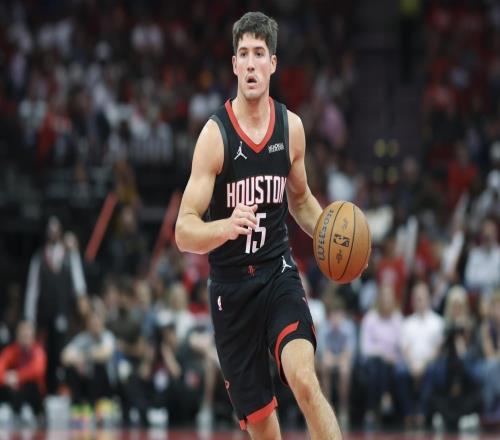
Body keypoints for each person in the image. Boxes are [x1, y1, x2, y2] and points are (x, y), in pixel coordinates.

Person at [175, 11, 343, 439]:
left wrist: (333, 235)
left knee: (304, 380)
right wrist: (225, 226)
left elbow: (301, 200)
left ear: (273, 63)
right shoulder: (215, 136)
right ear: (234, 65)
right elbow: (183, 230)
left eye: (259, 54)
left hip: (276, 274)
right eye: (244, 54)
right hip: (231, 290)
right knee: (264, 426)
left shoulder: (292, 127)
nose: (251, 64)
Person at [0, 321, 46, 426]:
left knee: (32, 385)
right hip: (14, 391)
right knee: (12, 387)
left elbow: (38, 370)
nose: (26, 340)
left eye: (28, 336)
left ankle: (39, 415)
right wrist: (6, 379)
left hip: (34, 393)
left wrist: (17, 376)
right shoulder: (10, 351)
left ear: (33, 337)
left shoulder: (38, 351)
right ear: (17, 337)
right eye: (23, 336)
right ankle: (16, 414)